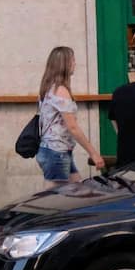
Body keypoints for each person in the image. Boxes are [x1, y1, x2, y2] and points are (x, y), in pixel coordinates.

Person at [36, 46, 104, 189]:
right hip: (56, 152)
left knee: (78, 191)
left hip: (55, 151)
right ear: (64, 64)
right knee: (55, 200)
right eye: (72, 60)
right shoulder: (60, 90)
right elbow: (72, 127)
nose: (75, 64)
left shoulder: (49, 87)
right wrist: (93, 153)